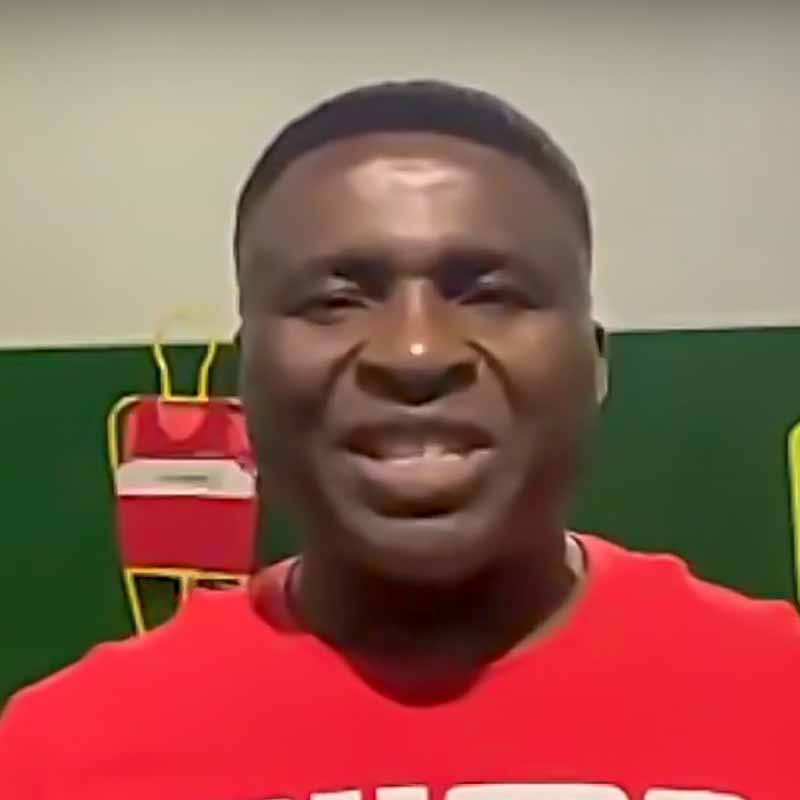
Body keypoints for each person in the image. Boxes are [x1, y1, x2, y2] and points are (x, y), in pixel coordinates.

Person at [0, 80, 797, 800]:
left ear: (592, 363)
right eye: (334, 300)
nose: (415, 352)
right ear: (248, 375)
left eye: (491, 294)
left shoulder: (778, 696)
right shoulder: (60, 759)